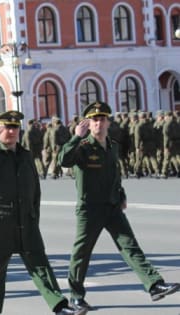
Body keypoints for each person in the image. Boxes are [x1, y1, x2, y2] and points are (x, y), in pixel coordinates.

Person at [58, 101, 180, 311]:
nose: (98, 123)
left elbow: (115, 175)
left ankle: (154, 285)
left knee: (130, 247)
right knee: (82, 254)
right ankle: (76, 296)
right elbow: (64, 160)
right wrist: (76, 136)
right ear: (89, 123)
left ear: (107, 122)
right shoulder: (82, 147)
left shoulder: (112, 145)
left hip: (112, 207)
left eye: (102, 119)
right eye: (94, 120)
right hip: (90, 209)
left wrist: (121, 194)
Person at [0, 110, 86, 315]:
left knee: (41, 266)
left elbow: (35, 190)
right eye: (6, 127)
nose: (11, 131)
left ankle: (59, 306)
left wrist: (34, 217)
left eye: (14, 127)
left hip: (26, 220)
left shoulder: (25, 155)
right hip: (0, 223)